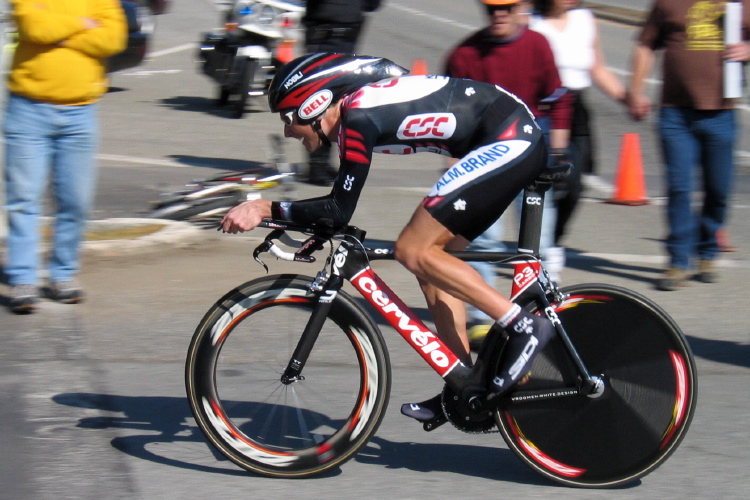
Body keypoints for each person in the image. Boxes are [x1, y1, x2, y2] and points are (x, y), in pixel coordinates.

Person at [221, 52, 556, 423]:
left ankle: (524, 325)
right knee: (432, 265)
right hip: (503, 138)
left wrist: (265, 209)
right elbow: (335, 211)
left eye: (288, 118)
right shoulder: (358, 112)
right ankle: (467, 384)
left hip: (507, 139)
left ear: (313, 105)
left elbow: (338, 209)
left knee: (412, 250)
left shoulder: (358, 116)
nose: (287, 131)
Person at [443, 0, 572, 342]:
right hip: (483, 155)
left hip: (529, 150)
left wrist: (557, 148)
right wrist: (454, 159)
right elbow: (448, 109)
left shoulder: (536, 45)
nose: (499, 14)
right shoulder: (467, 54)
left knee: (537, 242)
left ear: (522, 8)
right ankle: (482, 317)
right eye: (491, 9)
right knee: (482, 239)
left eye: (507, 7)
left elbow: (558, 98)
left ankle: (542, 314)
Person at [3, 0, 127, 313]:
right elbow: (34, 27)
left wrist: (59, 30)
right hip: (28, 109)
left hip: (80, 113)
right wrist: (83, 23)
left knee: (75, 201)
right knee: (23, 199)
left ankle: (62, 275)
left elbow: (113, 38)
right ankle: (23, 279)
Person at [627, 0, 750, 291]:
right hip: (675, 114)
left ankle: (708, 249)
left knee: (718, 188)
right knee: (679, 188)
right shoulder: (668, 2)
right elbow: (646, 45)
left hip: (721, 112)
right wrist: (636, 91)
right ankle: (679, 261)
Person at [529, 0, 626, 246]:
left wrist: (627, 98)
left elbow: (597, 68)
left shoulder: (585, 19)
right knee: (543, 182)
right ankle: (537, 243)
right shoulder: (532, 22)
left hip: (577, 110)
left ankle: (551, 240)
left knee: (575, 185)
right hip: (544, 109)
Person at [301, 0, 381, 185]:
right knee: (325, 97)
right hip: (331, 30)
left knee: (332, 97)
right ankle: (316, 164)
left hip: (332, 30)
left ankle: (321, 162)